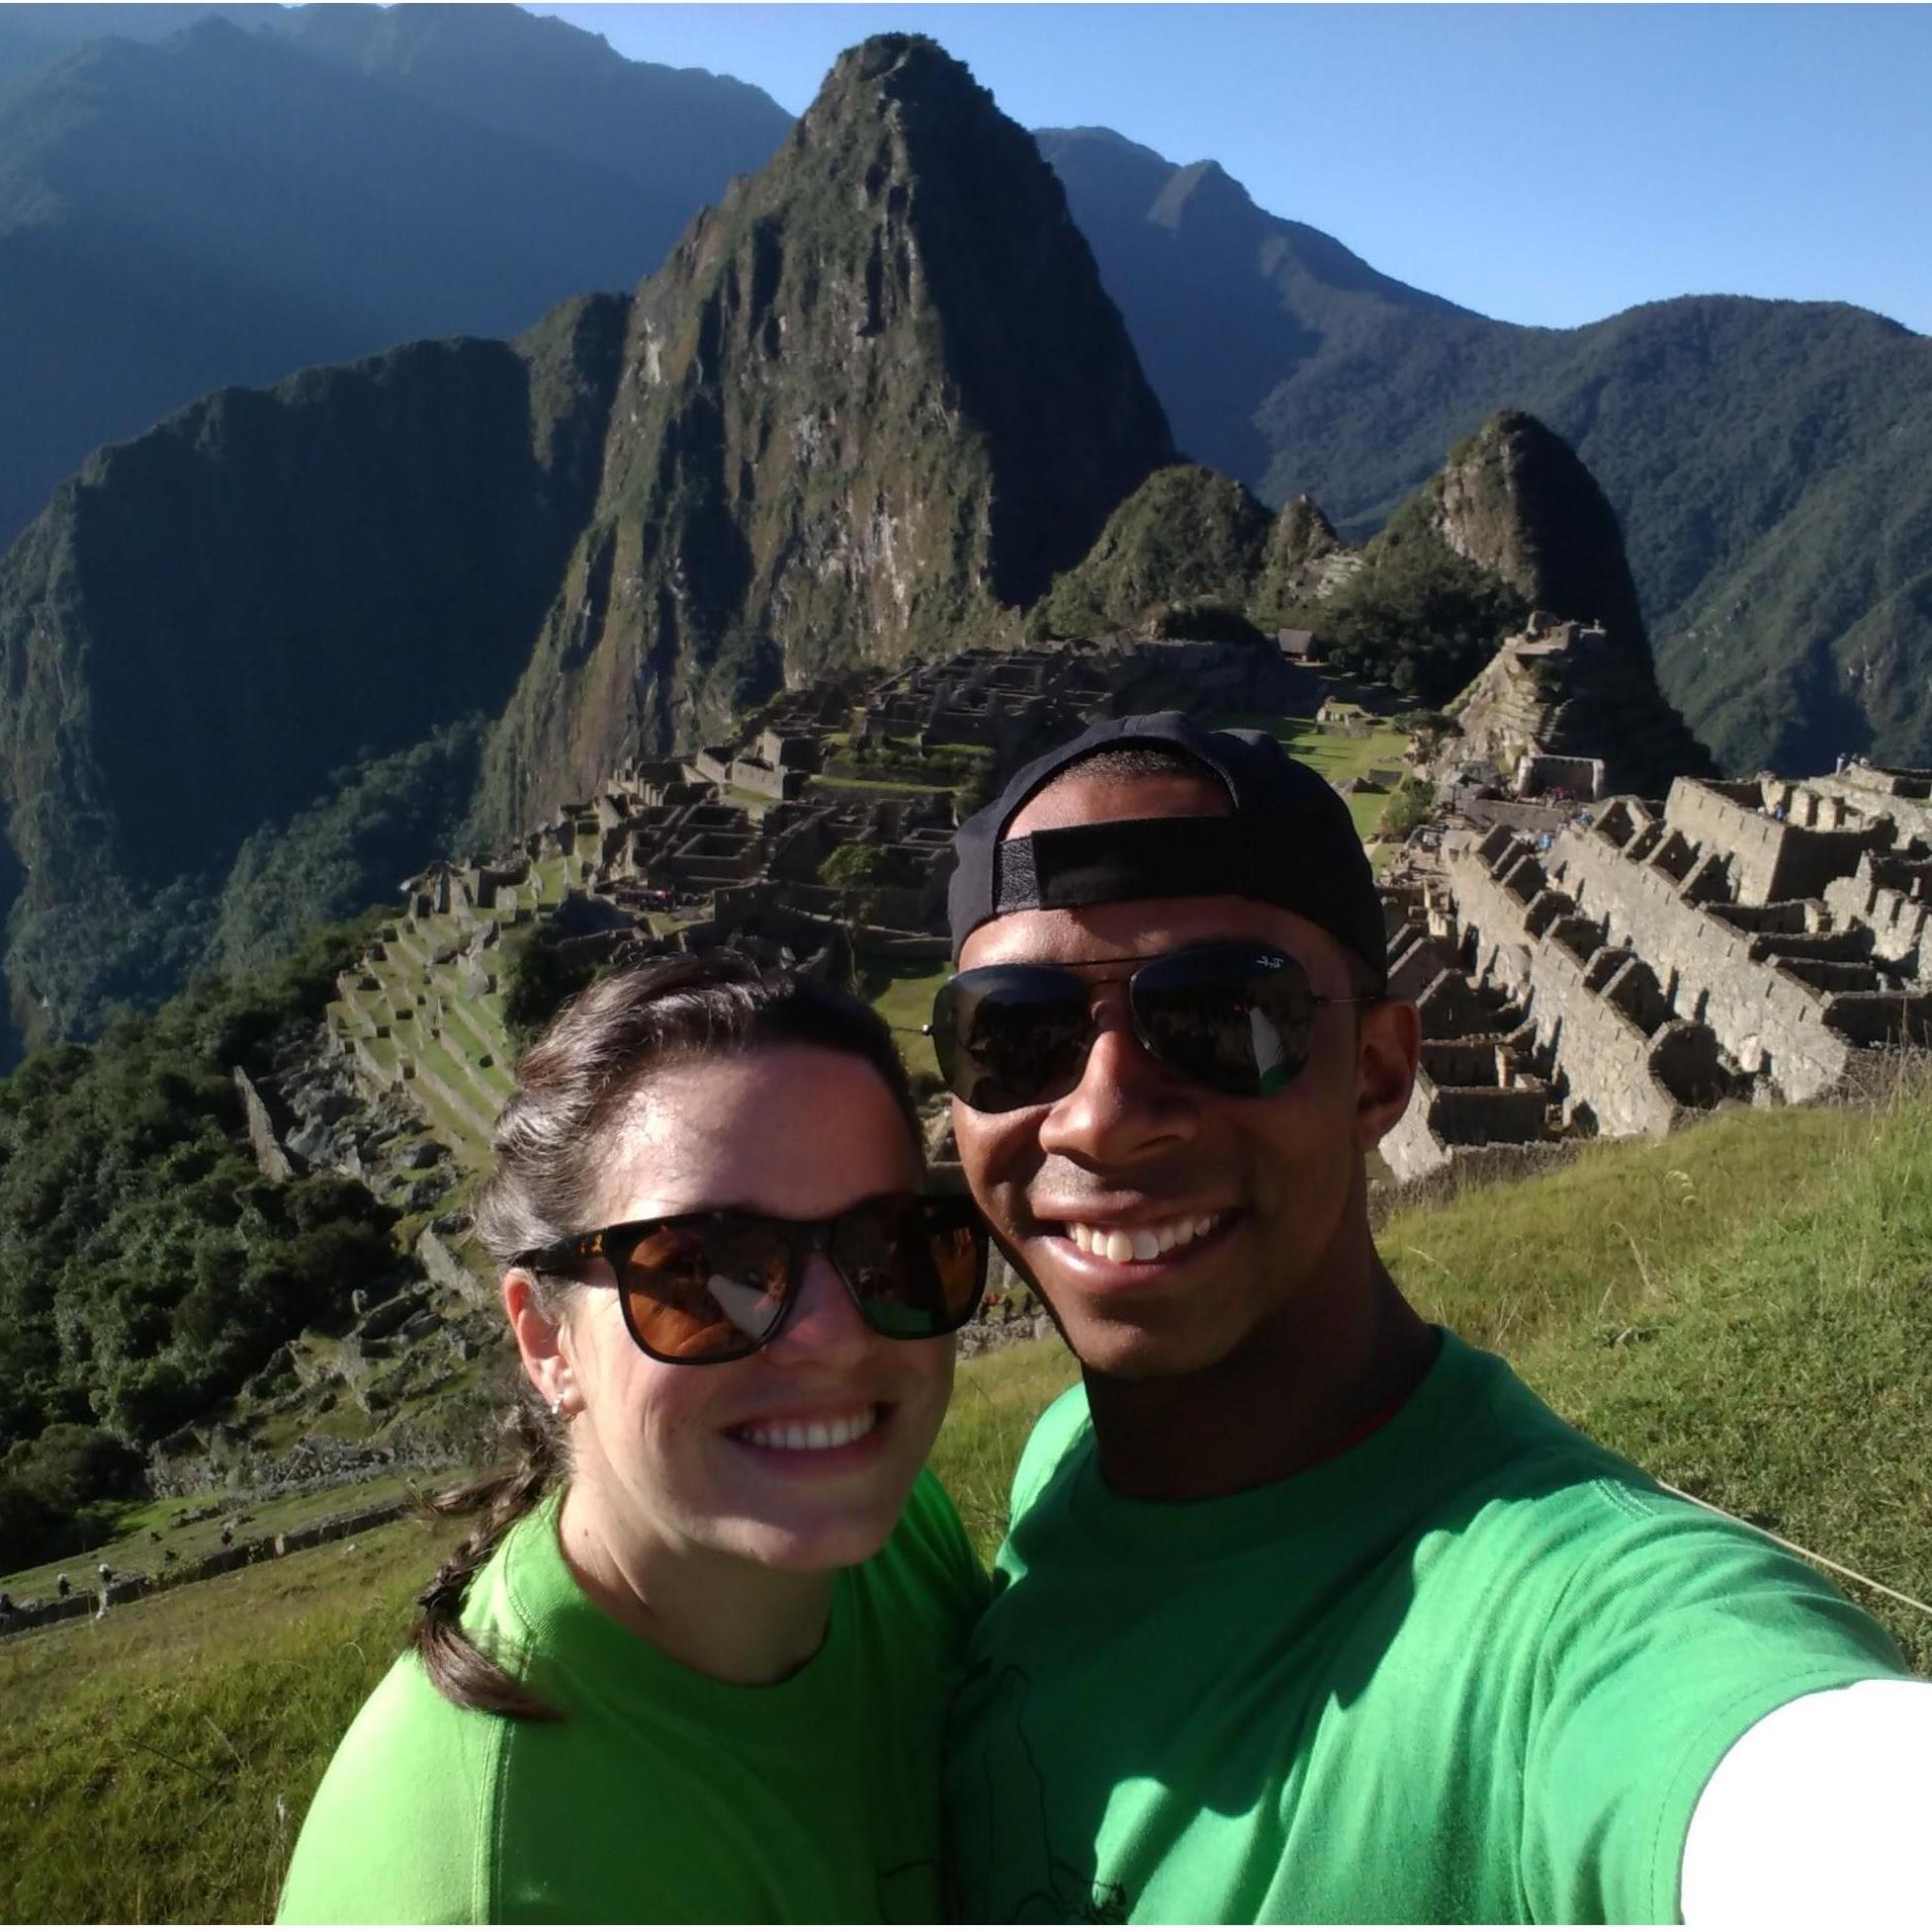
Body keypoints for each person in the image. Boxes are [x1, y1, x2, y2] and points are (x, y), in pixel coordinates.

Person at [934, 712, 1928, 1924]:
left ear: (1376, 1073)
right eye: (1015, 1037)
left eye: (1217, 1021)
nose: (1099, 1117)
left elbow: (1809, 1799)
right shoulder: (1061, 1465)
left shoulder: (1560, 1623)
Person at [279, 953, 990, 1923]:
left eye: (893, 1247)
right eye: (704, 1273)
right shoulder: (489, 1878)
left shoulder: (898, 1535)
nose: (832, 1339)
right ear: (545, 1339)